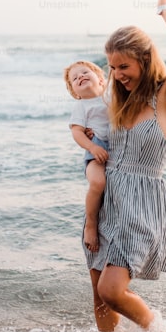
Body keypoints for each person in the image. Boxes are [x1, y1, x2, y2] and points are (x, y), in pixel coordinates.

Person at [83, 0, 166, 332]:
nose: (117, 75)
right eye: (113, 67)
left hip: (141, 206)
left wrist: (164, 10)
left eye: (124, 67)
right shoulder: (119, 102)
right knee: (99, 297)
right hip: (108, 204)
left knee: (112, 290)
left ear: (145, 60)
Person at [64, 60, 110, 253]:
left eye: (84, 73)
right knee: (98, 183)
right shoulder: (82, 106)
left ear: (100, 79)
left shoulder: (110, 96)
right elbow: (77, 132)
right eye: (75, 78)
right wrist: (92, 147)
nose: (80, 77)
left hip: (120, 145)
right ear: (75, 93)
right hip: (96, 147)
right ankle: (90, 224)